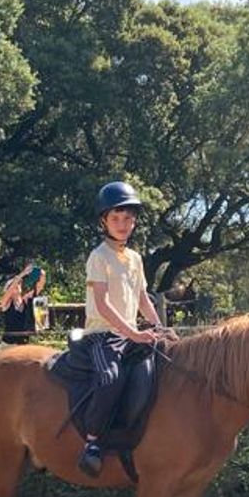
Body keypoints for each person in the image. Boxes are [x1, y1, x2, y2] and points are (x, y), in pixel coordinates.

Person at [71, 180, 173, 477]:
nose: (122, 224)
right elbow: (102, 305)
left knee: (162, 369)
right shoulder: (98, 257)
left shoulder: (135, 259)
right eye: (116, 218)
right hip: (102, 336)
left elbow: (143, 298)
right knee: (110, 377)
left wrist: (158, 327)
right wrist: (133, 333)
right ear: (104, 221)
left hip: (129, 334)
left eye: (128, 218)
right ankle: (92, 442)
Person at [0, 260, 46, 345]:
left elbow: (39, 287)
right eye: (15, 284)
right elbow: (7, 294)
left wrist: (42, 275)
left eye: (19, 283)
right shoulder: (6, 303)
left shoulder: (24, 300)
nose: (18, 285)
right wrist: (22, 273)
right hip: (9, 344)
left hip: (23, 343)